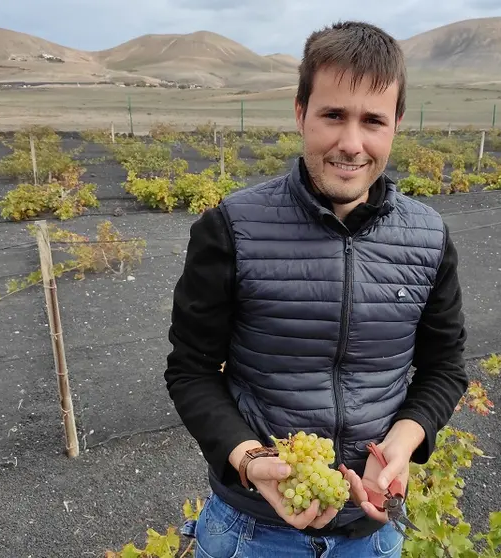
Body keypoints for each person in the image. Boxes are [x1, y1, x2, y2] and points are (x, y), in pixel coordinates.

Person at [164, 19, 468, 558]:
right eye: (333, 115)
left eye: (373, 120)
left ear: (397, 123)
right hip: (250, 533)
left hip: (370, 536)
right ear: (301, 112)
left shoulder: (428, 238)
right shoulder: (231, 228)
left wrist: (403, 441)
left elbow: (444, 368)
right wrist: (250, 459)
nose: (351, 143)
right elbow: (191, 371)